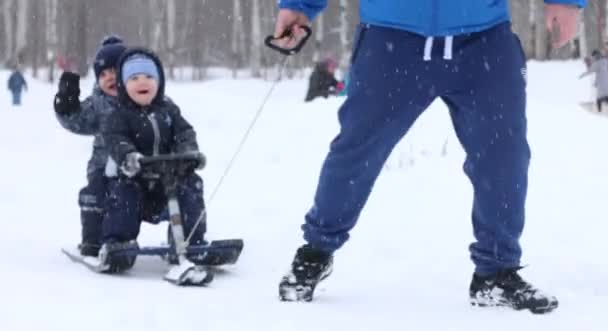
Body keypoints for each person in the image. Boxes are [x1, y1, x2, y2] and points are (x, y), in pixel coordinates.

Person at [273, 0, 583, 313]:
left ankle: (497, 271)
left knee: (504, 156)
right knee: (356, 150)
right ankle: (315, 251)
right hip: (391, 38)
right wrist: (301, 5)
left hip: (483, 39)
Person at [99, 48, 207, 272]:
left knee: (191, 186)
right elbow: (115, 139)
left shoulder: (169, 110)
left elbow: (184, 132)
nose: (142, 82)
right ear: (123, 84)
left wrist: (189, 153)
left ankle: (188, 240)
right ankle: (119, 244)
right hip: (135, 178)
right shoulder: (117, 114)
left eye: (149, 77)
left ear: (159, 81)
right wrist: (129, 156)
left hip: (168, 180)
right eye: (134, 78)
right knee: (123, 196)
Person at [53, 35, 127, 257]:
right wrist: (66, 102)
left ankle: (184, 237)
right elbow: (76, 120)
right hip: (104, 167)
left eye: (115, 71)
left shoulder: (144, 98)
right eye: (103, 74)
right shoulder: (98, 104)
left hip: (142, 166)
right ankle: (93, 240)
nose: (109, 78)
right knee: (95, 194)